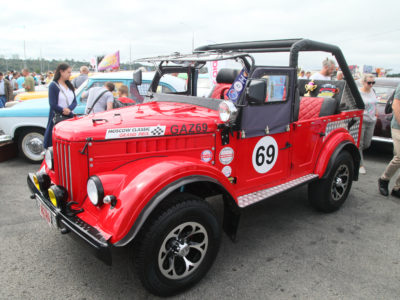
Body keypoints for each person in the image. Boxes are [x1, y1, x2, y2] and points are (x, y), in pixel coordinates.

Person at [43, 63, 77, 149]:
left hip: (70, 116)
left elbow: (74, 101)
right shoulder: (53, 86)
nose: (70, 74)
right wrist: (63, 110)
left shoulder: (69, 85)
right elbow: (52, 104)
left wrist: (69, 110)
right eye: (68, 72)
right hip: (58, 117)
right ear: (61, 72)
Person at [379, 83, 400, 197]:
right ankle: (384, 179)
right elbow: (396, 105)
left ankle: (397, 188)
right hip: (398, 127)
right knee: (399, 157)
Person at [358, 74, 378, 174]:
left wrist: (376, 114)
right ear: (363, 82)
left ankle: (357, 160)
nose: (371, 85)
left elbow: (375, 103)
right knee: (360, 144)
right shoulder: (359, 92)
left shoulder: (373, 91)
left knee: (367, 144)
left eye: (373, 82)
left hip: (372, 120)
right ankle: (360, 165)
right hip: (363, 120)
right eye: (369, 82)